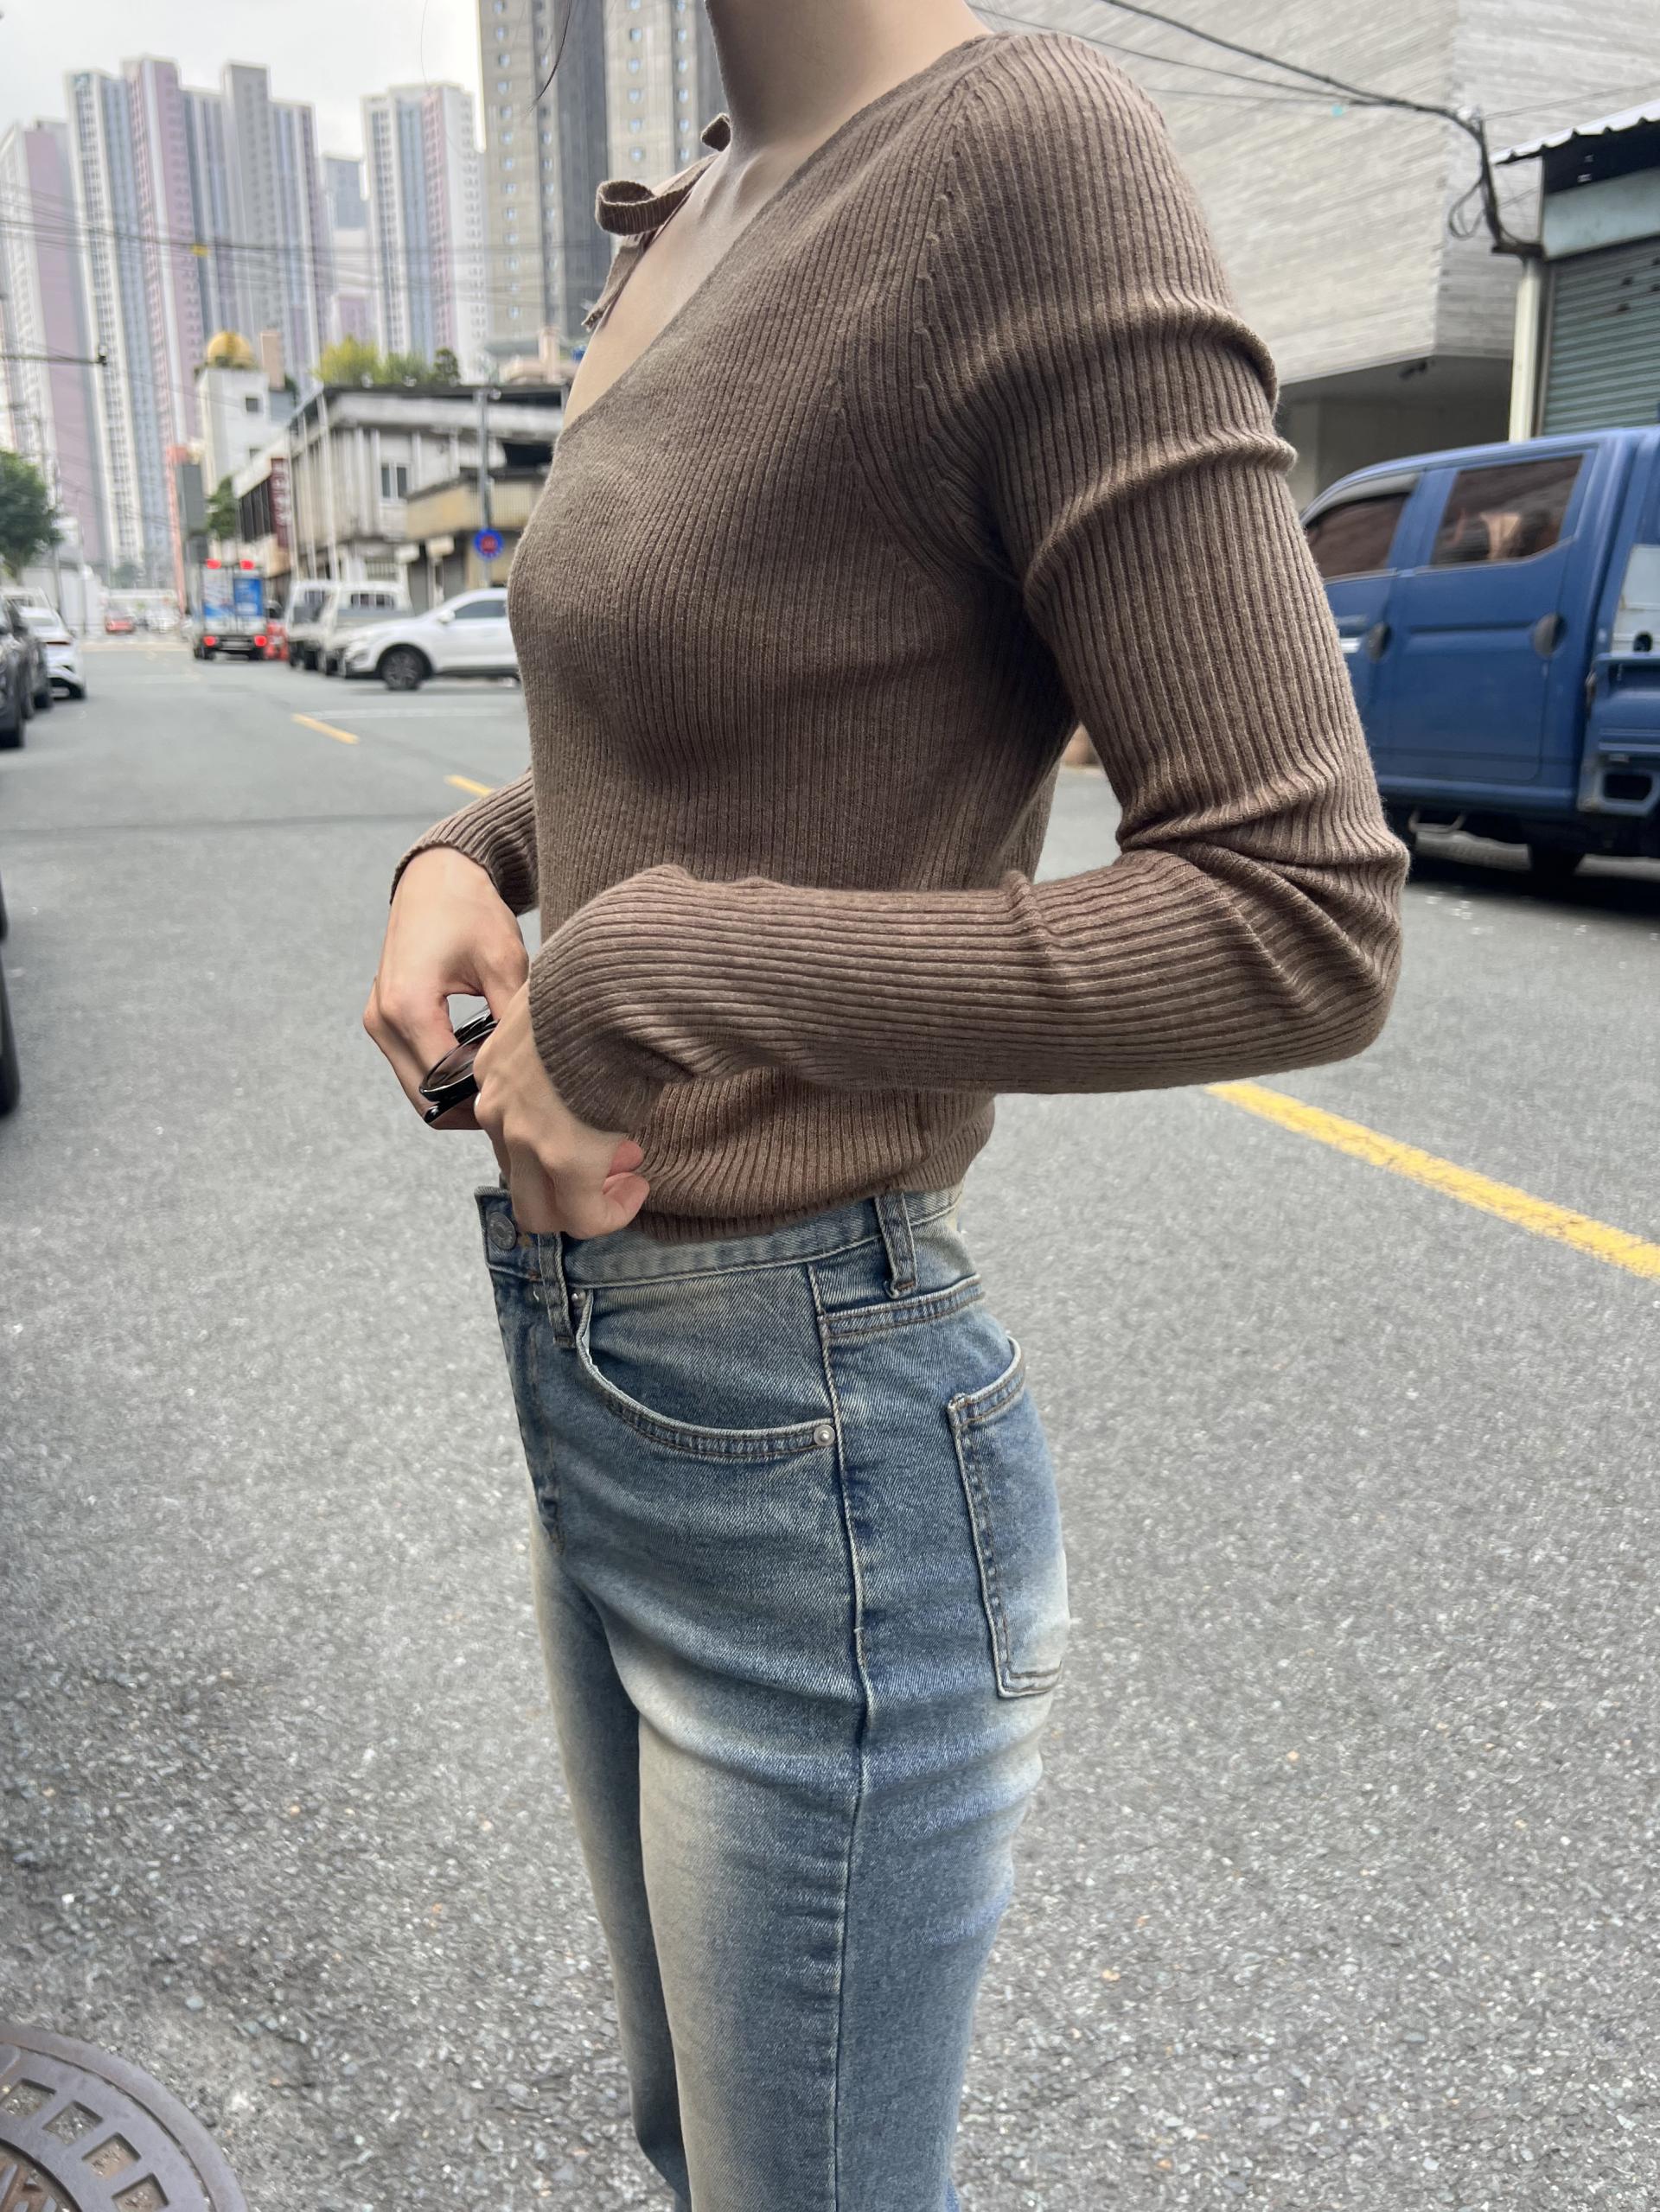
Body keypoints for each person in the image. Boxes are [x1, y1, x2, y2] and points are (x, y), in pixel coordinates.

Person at [365, 3, 1407, 2205]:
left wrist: (650, 970)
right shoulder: (692, 211)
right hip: (604, 1379)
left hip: (817, 1444)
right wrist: (473, 847)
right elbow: (725, 719)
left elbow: (1300, 912)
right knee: (693, 2145)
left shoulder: (1024, 159)